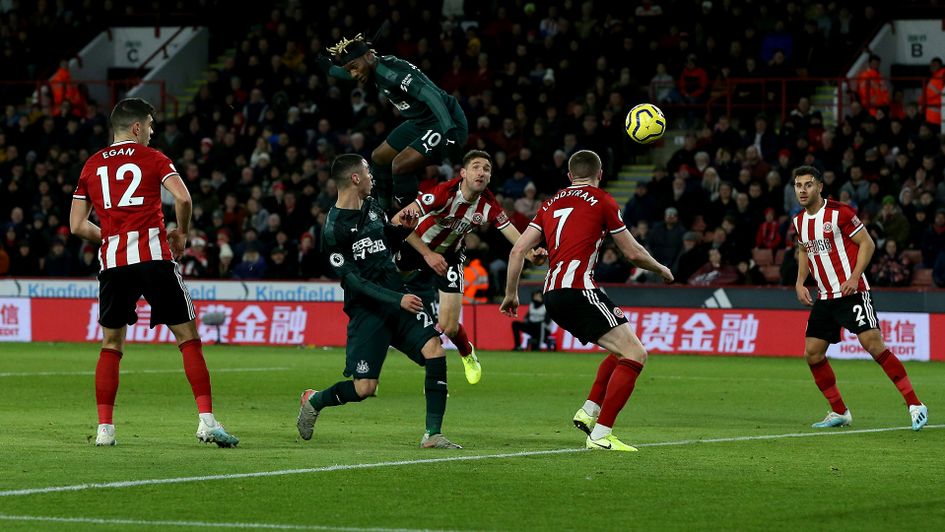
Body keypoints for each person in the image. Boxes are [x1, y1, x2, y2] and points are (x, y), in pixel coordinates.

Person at [69, 98, 238, 447]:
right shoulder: (154, 158)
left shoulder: (91, 164)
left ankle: (105, 430)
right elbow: (184, 199)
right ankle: (206, 421)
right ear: (136, 128)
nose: (151, 131)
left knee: (111, 344)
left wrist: (113, 237)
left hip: (114, 263)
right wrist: (182, 233)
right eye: (149, 125)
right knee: (187, 336)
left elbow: (75, 225)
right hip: (153, 257)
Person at [501, 150, 674, 452]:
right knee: (636, 354)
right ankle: (600, 435)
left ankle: (590, 410)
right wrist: (660, 268)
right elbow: (632, 253)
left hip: (552, 294)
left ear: (569, 176)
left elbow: (517, 251)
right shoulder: (603, 200)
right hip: (579, 290)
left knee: (623, 349)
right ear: (600, 174)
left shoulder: (549, 204)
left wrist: (511, 294)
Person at [296, 154, 461, 449]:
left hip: (399, 297)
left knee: (435, 350)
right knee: (364, 388)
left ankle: (432, 434)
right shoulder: (333, 230)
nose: (372, 176)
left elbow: (384, 236)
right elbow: (355, 282)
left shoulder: (372, 206)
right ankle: (314, 400)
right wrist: (396, 299)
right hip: (369, 310)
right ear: (355, 179)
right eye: (368, 172)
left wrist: (402, 230)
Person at [791, 165, 927, 431]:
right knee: (813, 354)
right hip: (825, 297)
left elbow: (868, 243)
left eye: (808, 185)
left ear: (820, 186)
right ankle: (840, 411)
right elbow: (804, 251)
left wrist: (854, 277)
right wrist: (799, 282)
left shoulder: (840, 213)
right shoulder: (799, 221)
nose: (803, 190)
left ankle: (915, 404)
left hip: (853, 293)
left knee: (873, 345)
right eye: (798, 186)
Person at [394, 150, 545, 385]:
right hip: (417, 246)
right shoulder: (442, 193)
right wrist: (428, 254)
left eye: (486, 168)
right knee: (389, 288)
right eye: (476, 167)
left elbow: (513, 234)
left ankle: (467, 353)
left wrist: (531, 254)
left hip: (451, 256)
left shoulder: (488, 205)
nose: (481, 172)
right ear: (463, 173)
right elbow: (397, 220)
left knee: (449, 327)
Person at [319, 32, 468, 212]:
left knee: (399, 165)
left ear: (368, 56)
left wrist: (449, 131)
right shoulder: (371, 65)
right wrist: (329, 68)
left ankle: (412, 217)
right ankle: (384, 211)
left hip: (444, 121)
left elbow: (431, 95)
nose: (353, 74)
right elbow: (347, 70)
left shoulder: (390, 73)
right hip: (420, 122)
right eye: (350, 69)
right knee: (379, 157)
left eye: (354, 67)